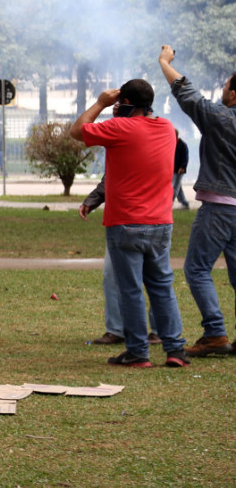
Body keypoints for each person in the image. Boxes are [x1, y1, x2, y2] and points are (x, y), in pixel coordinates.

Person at [70, 78, 187, 367]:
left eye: (119, 103)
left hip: (125, 222)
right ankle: (175, 350)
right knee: (162, 285)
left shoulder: (119, 128)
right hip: (161, 222)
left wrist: (100, 103)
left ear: (126, 104)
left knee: (131, 289)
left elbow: (76, 131)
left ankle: (137, 352)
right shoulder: (167, 129)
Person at [159, 45, 236, 357]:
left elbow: (188, 95)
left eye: (227, 86)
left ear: (234, 95)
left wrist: (164, 62)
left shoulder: (223, 118)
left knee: (196, 268)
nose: (223, 90)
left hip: (220, 206)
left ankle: (215, 332)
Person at [80, 177, 160, 346]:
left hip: (153, 218)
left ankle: (159, 331)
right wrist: (92, 200)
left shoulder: (160, 151)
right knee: (111, 275)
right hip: (121, 220)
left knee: (155, 278)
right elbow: (110, 177)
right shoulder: (118, 151)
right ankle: (116, 330)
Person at [172, 129, 190, 209]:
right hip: (172, 168)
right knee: (178, 187)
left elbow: (185, 157)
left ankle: (169, 202)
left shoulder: (182, 144)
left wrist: (183, 167)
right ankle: (184, 203)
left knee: (174, 186)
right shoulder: (171, 144)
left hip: (180, 169)